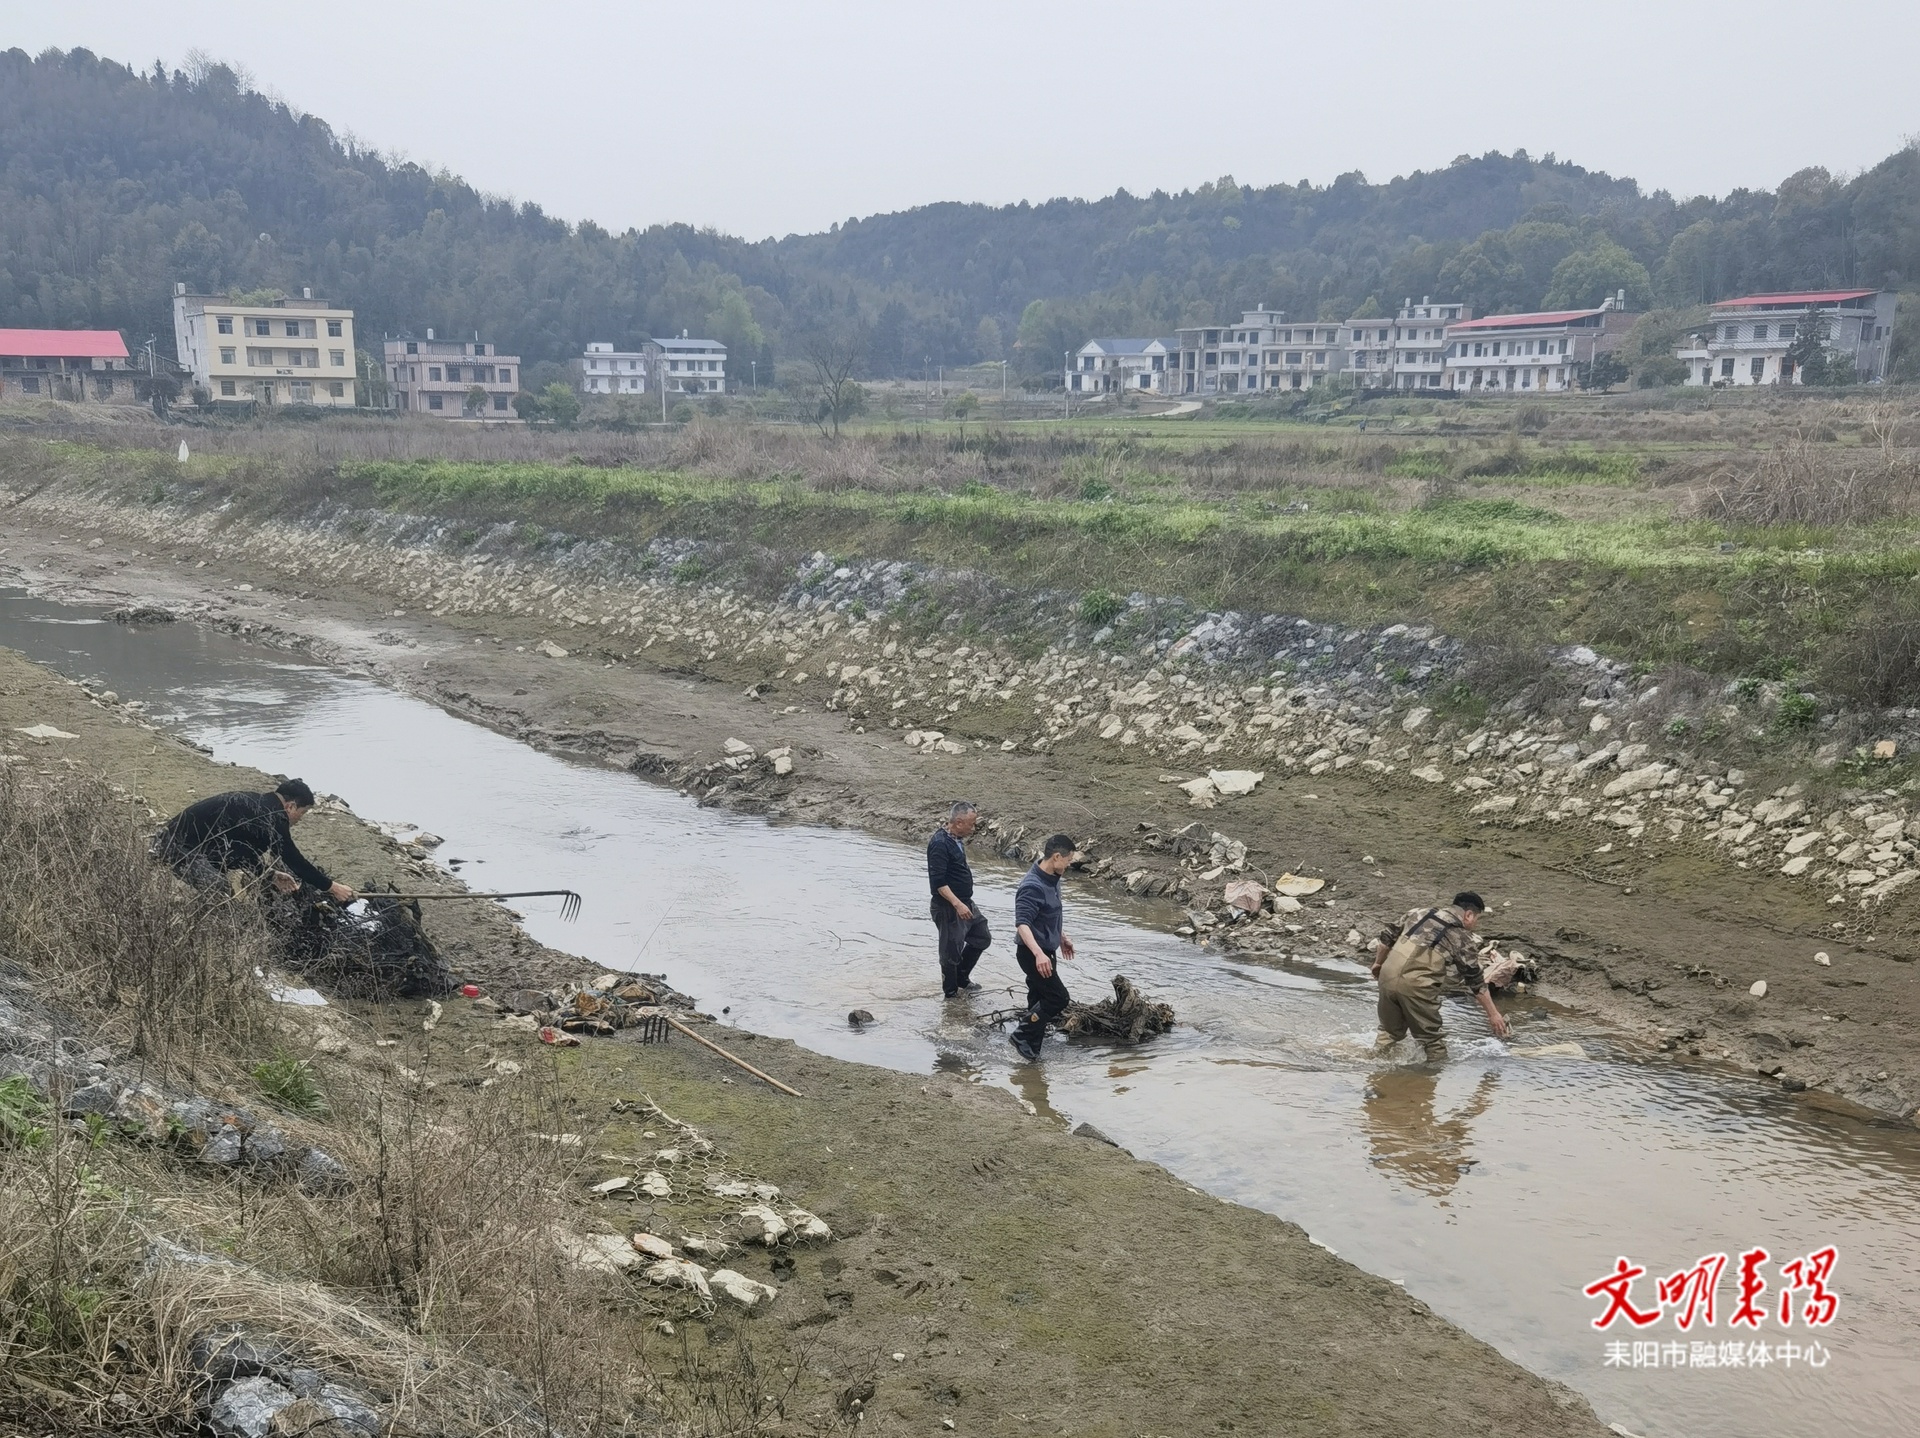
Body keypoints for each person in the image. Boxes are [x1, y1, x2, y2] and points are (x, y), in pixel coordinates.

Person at [153, 778, 355, 905]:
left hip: (176, 843)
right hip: (174, 846)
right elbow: (294, 860)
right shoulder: (272, 816)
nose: (297, 821)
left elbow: (241, 851)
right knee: (219, 890)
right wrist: (332, 887)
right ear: (291, 806)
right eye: (301, 815)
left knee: (220, 882)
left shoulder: (257, 806)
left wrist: (269, 875)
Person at [1370, 890, 1509, 1061]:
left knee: (1388, 1032)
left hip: (1387, 976)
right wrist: (1493, 1014)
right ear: (1469, 915)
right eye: (1477, 919)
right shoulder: (1462, 938)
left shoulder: (1417, 913)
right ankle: (1431, 1079)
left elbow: (1386, 938)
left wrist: (1378, 963)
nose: (1475, 924)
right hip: (1417, 985)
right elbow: (1476, 981)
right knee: (1432, 1041)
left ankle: (1376, 1069)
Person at [1009, 833, 1077, 1062]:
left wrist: (1061, 937)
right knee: (1059, 998)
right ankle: (1021, 1035)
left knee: (1038, 999)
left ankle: (1031, 1052)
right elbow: (1023, 924)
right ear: (1057, 857)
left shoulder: (1052, 878)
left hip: (1048, 950)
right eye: (1068, 860)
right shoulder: (1032, 886)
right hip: (1032, 953)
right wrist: (1038, 954)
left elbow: (1049, 914)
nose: (1068, 865)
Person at [927, 800, 991, 998]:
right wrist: (957, 904)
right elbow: (938, 883)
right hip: (948, 906)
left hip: (965, 901)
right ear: (959, 822)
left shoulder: (956, 839)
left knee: (982, 937)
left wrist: (964, 902)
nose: (974, 828)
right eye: (971, 824)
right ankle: (951, 995)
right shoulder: (939, 844)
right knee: (950, 953)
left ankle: (962, 976)